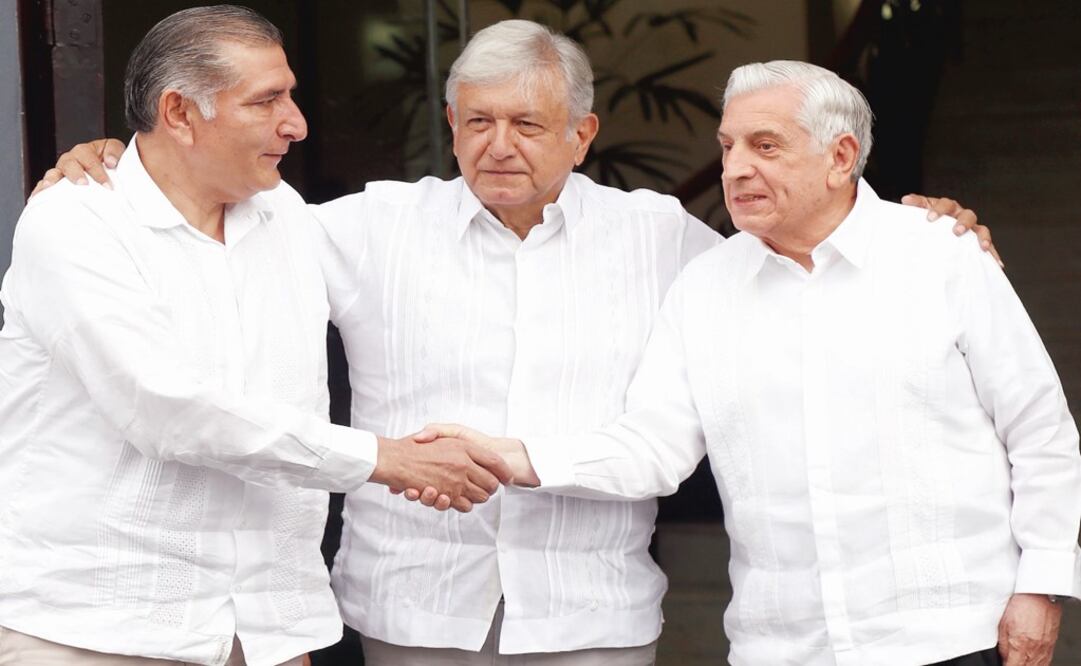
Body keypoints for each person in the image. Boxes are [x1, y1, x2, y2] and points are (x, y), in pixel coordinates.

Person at [35, 21, 994, 666]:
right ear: (449, 126)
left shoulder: (661, 238)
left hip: (592, 617)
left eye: (529, 123)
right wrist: (118, 161)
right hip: (410, 613)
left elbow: (795, 264)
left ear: (582, 134)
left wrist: (912, 227)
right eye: (479, 121)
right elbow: (213, 214)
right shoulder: (352, 228)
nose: (501, 144)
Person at [422, 61, 1081, 666]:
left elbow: (1039, 430)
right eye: (728, 146)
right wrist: (509, 456)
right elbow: (652, 447)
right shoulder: (703, 287)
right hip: (781, 646)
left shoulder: (940, 256)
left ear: (839, 157)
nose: (734, 168)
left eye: (763, 146)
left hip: (950, 637)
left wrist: (1042, 586)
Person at [0, 6, 510, 666]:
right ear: (180, 113)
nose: (296, 123)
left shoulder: (284, 214)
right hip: (96, 630)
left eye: (290, 95)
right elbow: (167, 411)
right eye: (267, 100)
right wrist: (385, 458)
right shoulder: (76, 224)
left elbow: (436, 243)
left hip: (264, 627)